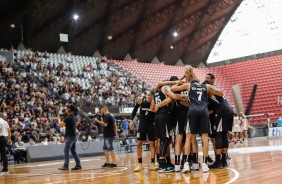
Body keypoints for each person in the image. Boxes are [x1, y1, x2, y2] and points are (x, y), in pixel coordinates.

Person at [170, 66, 224, 173]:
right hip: (204, 113)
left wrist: (181, 80)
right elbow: (221, 93)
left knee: (189, 138)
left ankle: (185, 164)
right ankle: (204, 164)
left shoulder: (188, 85)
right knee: (205, 139)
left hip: (192, 112)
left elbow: (172, 89)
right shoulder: (206, 86)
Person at [203, 73, 233, 169]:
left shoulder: (210, 89)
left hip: (222, 111)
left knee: (218, 135)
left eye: (207, 78)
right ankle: (224, 160)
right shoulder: (216, 88)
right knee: (224, 135)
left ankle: (219, 161)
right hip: (228, 110)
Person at [131, 90, 158, 172]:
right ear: (149, 95)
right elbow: (135, 110)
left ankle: (152, 164)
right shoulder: (141, 99)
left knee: (152, 144)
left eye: (153, 98)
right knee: (139, 143)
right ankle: (140, 164)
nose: (152, 99)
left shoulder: (156, 101)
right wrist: (131, 120)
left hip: (151, 125)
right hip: (142, 125)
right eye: (151, 98)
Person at [58, 105, 82, 170]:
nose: (65, 110)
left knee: (66, 150)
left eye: (66, 109)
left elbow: (59, 125)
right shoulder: (74, 117)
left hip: (70, 136)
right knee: (73, 151)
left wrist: (58, 119)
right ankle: (78, 164)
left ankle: (66, 165)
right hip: (74, 136)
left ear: (69, 110)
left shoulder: (68, 118)